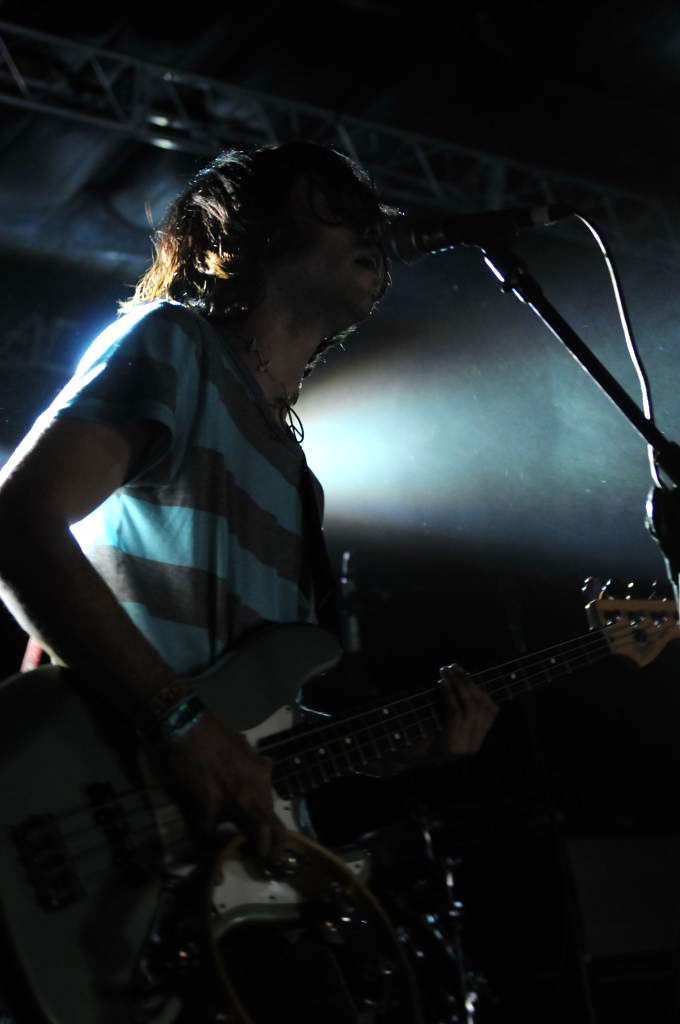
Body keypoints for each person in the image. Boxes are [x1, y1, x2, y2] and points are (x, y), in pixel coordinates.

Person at [0, 139, 498, 1020]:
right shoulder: (174, 347)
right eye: (335, 200)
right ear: (253, 228)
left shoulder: (296, 479)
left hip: (207, 889)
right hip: (91, 817)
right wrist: (179, 721)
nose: (373, 225)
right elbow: (16, 523)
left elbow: (252, 718)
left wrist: (400, 743)